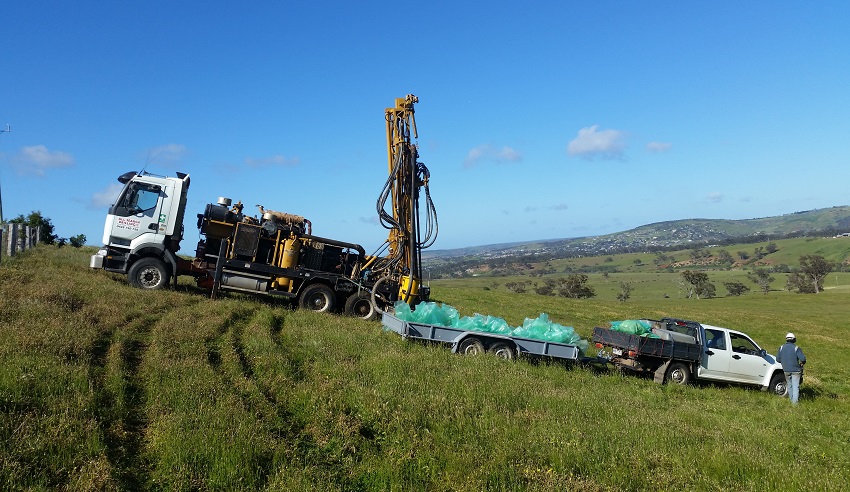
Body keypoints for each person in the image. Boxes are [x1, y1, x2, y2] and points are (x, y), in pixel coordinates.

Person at [776, 332, 806, 404]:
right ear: (794, 340)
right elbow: (803, 359)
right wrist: (801, 364)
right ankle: (794, 404)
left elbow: (778, 359)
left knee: (789, 386)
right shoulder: (796, 348)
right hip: (796, 370)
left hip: (786, 369)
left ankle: (791, 400)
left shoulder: (781, 348)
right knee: (796, 387)